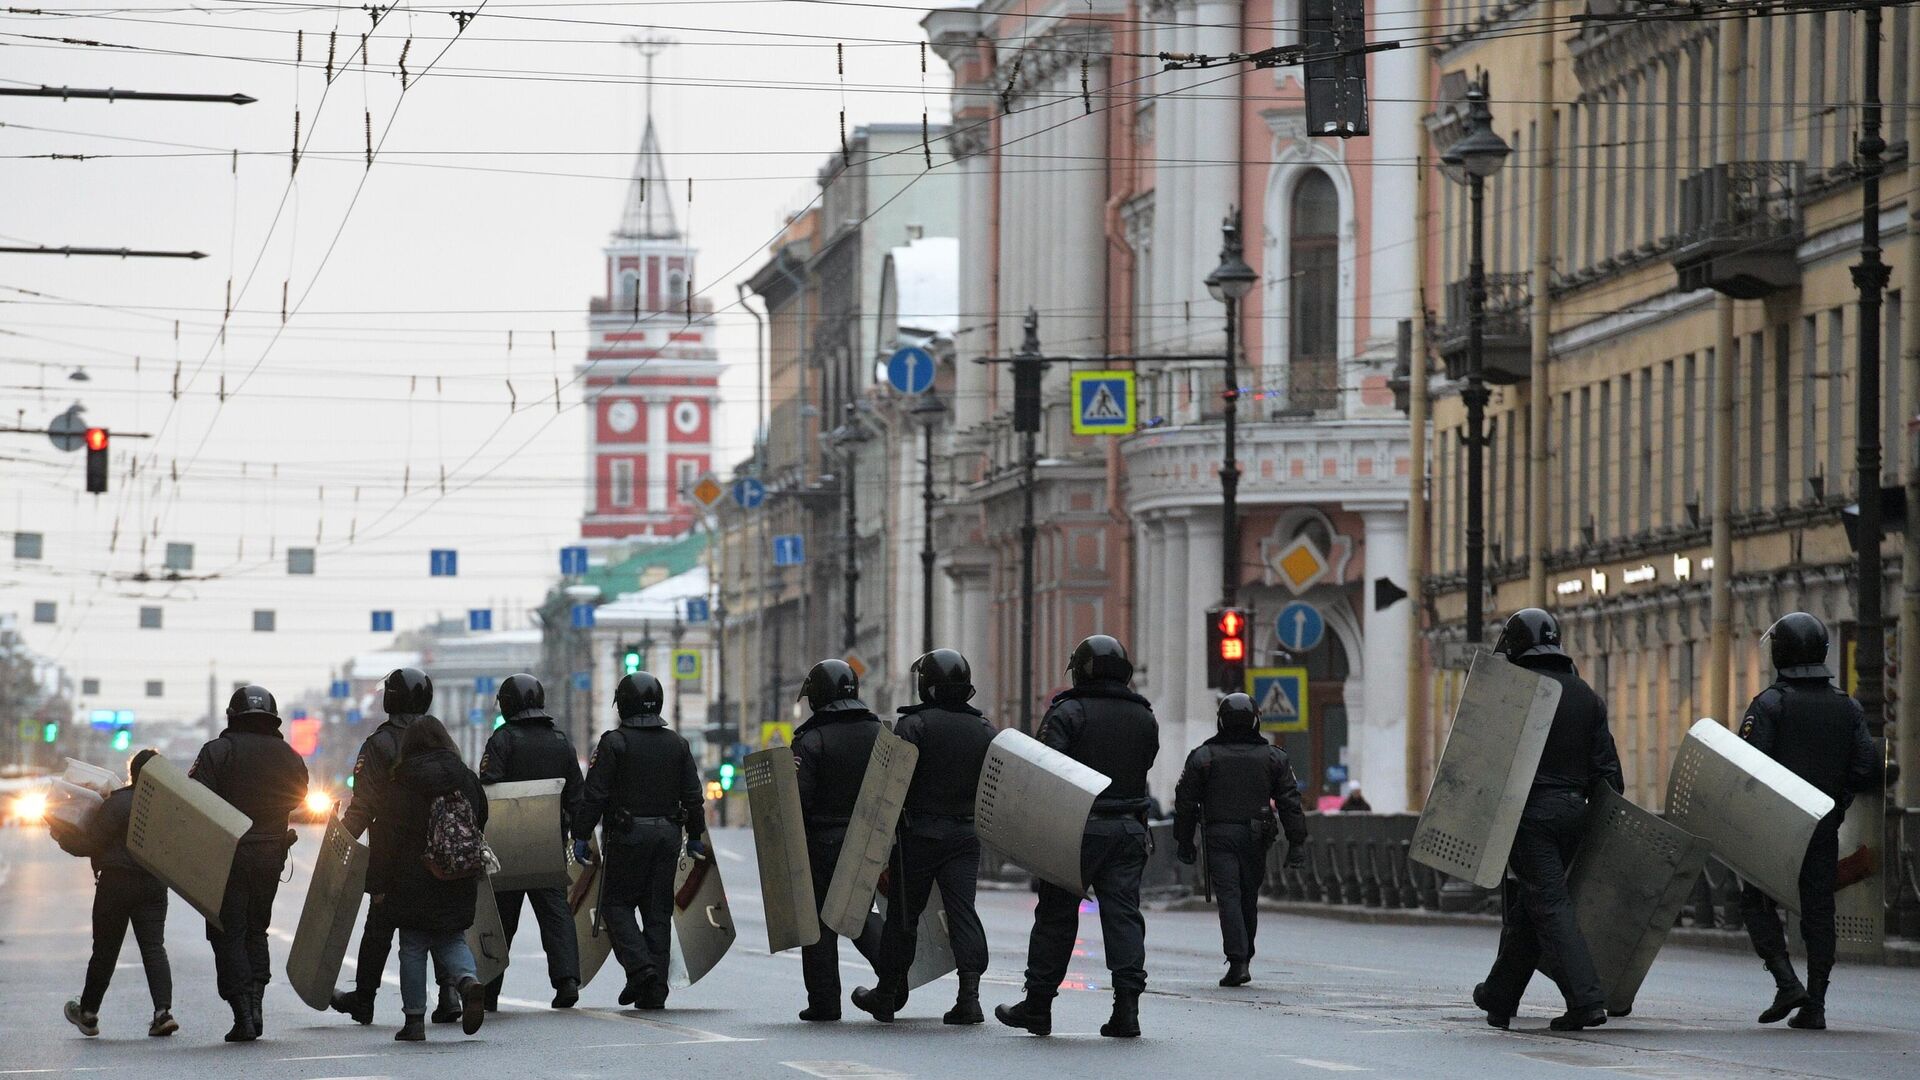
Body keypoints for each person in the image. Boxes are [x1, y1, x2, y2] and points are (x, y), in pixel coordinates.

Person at [997, 634, 1159, 1039]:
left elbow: (1046, 768)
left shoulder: (1068, 712)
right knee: (1123, 916)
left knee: (1055, 915)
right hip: (1129, 828)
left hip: (1076, 828)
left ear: (1083, 669)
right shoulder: (1144, 716)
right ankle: (1127, 1010)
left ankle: (1037, 1006)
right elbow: (1146, 762)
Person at [1472, 608, 1623, 1032]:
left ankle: (1587, 1001)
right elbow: (1610, 774)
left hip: (1528, 814)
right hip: (1576, 814)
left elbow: (1485, 763)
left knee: (1551, 905)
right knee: (1533, 906)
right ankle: (1498, 996)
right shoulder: (1586, 695)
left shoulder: (1514, 690)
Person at [1738, 612, 1889, 1031]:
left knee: (1756, 899)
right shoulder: (1848, 707)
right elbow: (1867, 769)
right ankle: (1816, 1003)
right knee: (1818, 909)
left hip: (1775, 828)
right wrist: (1834, 801)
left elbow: (1749, 770)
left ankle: (1787, 983)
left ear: (1782, 651)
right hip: (1823, 825)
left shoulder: (1769, 704)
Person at [851, 649, 996, 1025]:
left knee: (904, 916)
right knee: (963, 912)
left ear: (926, 686)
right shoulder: (984, 729)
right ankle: (970, 997)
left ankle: (887, 993)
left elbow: (891, 786)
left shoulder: (913, 726)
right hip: (966, 834)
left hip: (920, 834)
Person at [330, 668, 457, 1026]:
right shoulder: (440, 738)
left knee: (379, 926)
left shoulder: (378, 744)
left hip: (392, 851)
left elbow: (364, 805)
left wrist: (338, 842)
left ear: (391, 699)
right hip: (441, 850)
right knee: (439, 921)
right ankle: (448, 994)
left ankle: (364, 999)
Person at [574, 671, 707, 1010]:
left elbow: (595, 795)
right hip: (668, 836)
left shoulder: (613, 743)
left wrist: (579, 835)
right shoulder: (677, 743)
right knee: (657, 910)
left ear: (624, 705)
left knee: (616, 905)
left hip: (628, 836)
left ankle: (640, 969)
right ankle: (655, 991)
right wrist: (694, 836)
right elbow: (693, 796)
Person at [189, 684, 308, 1042]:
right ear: (272, 718)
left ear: (232, 717)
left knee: (227, 932)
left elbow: (195, 796)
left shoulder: (218, 751)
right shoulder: (289, 754)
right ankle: (256, 1005)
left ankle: (243, 1013)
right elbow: (300, 794)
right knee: (257, 930)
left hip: (230, 855)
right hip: (272, 854)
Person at [1173, 692, 1308, 988]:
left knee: (1230, 897)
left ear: (1221, 721)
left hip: (1219, 835)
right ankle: (1244, 956)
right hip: (1257, 836)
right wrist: (1296, 842)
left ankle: (1238, 960)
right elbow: (1290, 802)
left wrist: (1184, 842)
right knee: (1248, 896)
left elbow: (1184, 802)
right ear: (1256, 721)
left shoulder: (1204, 757)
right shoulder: (1273, 757)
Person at [376, 716, 488, 1041]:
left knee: (412, 944)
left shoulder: (400, 782)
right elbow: (481, 815)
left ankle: (414, 1022)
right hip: (457, 873)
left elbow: (386, 836)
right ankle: (467, 981)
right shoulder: (464, 777)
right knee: (452, 937)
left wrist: (378, 884)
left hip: (411, 876)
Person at [478, 673, 585, 1010]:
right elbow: (577, 796)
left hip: (507, 843)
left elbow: (488, 789)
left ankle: (489, 990)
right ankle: (567, 981)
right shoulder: (561, 740)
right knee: (556, 914)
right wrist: (579, 836)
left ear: (508, 703)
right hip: (549, 840)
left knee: (502, 918)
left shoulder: (502, 740)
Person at [791, 658, 886, 1022]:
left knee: (818, 921)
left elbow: (798, 800)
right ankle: (893, 977)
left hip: (824, 841)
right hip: (868, 837)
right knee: (859, 911)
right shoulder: (879, 734)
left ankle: (825, 1002)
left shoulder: (811, 740)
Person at [62, 749, 176, 1039]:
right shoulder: (170, 807)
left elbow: (91, 843)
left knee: (105, 950)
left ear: (132, 773)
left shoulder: (117, 803)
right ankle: (163, 1013)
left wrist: (62, 835)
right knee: (153, 947)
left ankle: (87, 1014)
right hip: (153, 884)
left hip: (116, 884)